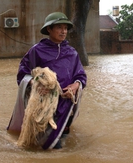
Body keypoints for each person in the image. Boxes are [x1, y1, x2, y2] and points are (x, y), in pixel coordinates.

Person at [7, 12, 87, 150]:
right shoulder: (36, 51)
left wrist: (76, 85)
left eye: (66, 28)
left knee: (62, 136)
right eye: (59, 27)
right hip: (44, 104)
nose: (64, 31)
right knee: (51, 145)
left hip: (66, 104)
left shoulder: (72, 53)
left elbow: (80, 76)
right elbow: (22, 74)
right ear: (49, 29)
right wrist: (35, 84)